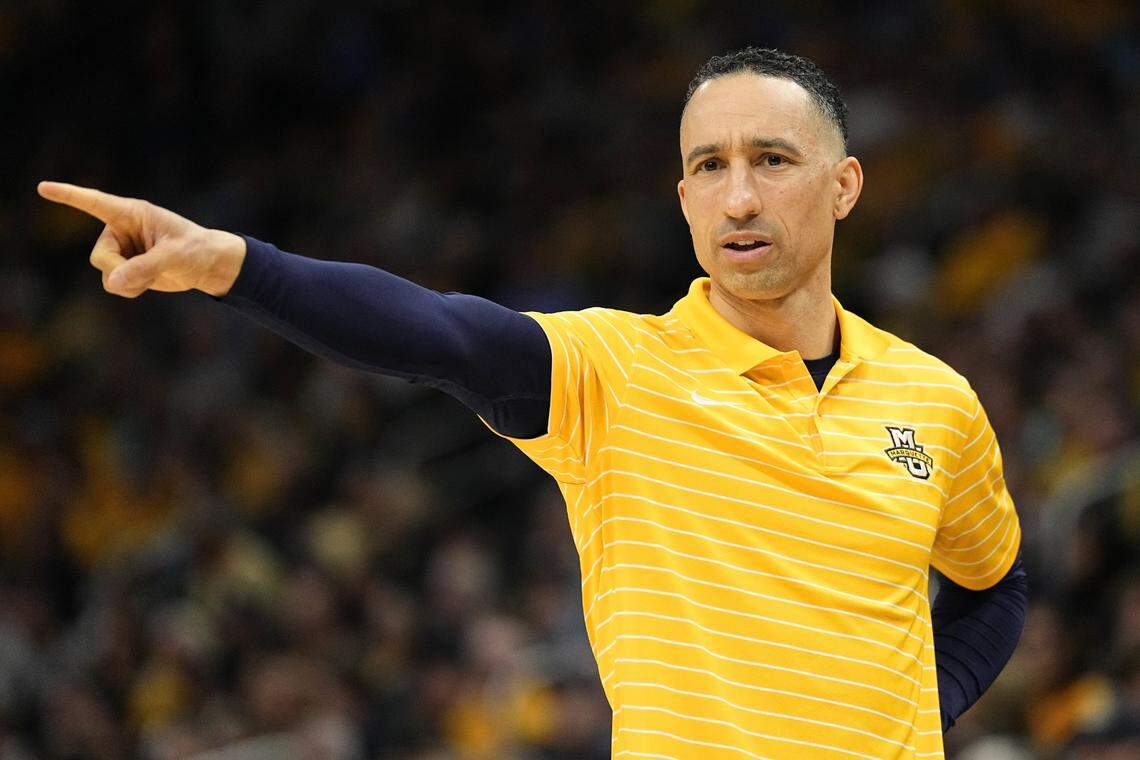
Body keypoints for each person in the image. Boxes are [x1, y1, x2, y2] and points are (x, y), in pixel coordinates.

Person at [39, 47, 1027, 760]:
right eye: (706, 167)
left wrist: (925, 706)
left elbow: (996, 581)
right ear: (681, 199)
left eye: (772, 160)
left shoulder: (934, 402)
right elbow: (438, 331)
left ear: (845, 184)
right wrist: (235, 265)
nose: (737, 199)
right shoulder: (613, 369)